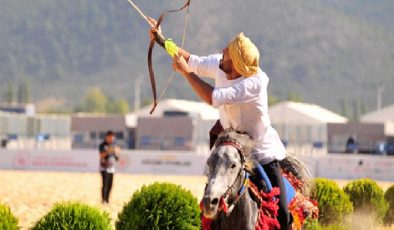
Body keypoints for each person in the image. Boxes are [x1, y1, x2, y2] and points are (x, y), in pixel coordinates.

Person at [149, 21, 291, 229]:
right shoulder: (221, 64)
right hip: (231, 146)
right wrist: (162, 40)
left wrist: (187, 73)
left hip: (260, 152)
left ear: (236, 65)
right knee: (211, 196)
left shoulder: (254, 82)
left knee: (283, 215)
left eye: (228, 52)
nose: (223, 51)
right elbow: (190, 59)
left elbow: (211, 97)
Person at [99, 130, 120, 204]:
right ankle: (103, 200)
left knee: (110, 185)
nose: (111, 138)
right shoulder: (102, 145)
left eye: (112, 137)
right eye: (110, 137)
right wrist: (108, 150)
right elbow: (101, 155)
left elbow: (117, 158)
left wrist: (116, 152)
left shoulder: (114, 145)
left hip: (112, 168)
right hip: (104, 168)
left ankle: (107, 200)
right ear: (107, 137)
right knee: (105, 184)